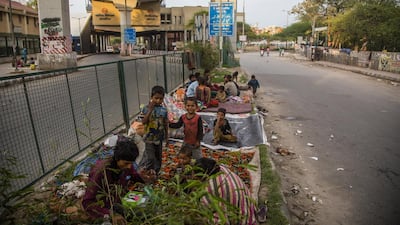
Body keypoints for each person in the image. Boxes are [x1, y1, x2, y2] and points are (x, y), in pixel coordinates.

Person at [82, 140, 156, 224]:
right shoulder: (101, 172)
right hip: (101, 211)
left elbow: (134, 176)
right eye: (126, 163)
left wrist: (146, 178)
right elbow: (87, 202)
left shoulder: (127, 166)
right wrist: (109, 214)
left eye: (131, 163)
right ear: (117, 158)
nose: (129, 166)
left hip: (116, 204)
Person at [194, 158, 257, 225]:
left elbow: (202, 209)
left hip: (238, 220)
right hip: (248, 213)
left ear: (203, 175)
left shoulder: (209, 187)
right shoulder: (222, 169)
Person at [138, 85, 169, 173]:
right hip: (148, 138)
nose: (158, 101)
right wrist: (150, 110)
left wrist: (167, 137)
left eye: (161, 99)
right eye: (156, 98)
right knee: (150, 157)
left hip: (159, 138)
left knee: (158, 157)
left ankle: (156, 173)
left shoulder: (164, 110)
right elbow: (143, 121)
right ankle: (147, 171)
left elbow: (166, 123)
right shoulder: (146, 108)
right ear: (151, 97)